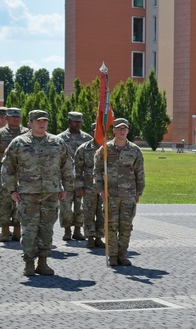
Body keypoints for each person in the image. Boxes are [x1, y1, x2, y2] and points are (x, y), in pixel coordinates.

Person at [2, 110, 74, 276]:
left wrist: (66, 188)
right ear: (30, 123)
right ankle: (28, 262)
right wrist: (12, 189)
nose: (42, 124)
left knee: (47, 229)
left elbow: (67, 167)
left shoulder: (57, 143)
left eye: (45, 121)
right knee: (29, 230)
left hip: (51, 193)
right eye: (38, 121)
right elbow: (7, 168)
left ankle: (43, 262)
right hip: (28, 194)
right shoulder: (18, 143)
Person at [93, 118, 145, 267]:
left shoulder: (135, 150)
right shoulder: (105, 149)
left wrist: (138, 192)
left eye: (125, 128)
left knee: (126, 226)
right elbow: (97, 171)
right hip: (111, 195)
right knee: (110, 226)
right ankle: (112, 256)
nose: (122, 131)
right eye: (119, 128)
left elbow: (139, 172)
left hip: (128, 195)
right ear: (114, 130)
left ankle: (122, 254)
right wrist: (101, 190)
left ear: (128, 130)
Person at [56, 111, 92, 241]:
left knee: (80, 206)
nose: (77, 124)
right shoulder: (60, 139)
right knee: (65, 206)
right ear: (69, 121)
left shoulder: (87, 138)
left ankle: (78, 229)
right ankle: (67, 230)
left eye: (79, 121)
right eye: (75, 121)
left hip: (82, 178)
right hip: (66, 178)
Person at [0, 107, 29, 242]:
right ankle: (5, 230)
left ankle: (17, 231)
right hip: (5, 173)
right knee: (5, 202)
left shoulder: (27, 133)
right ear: (6, 118)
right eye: (12, 116)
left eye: (18, 116)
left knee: (20, 202)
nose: (16, 119)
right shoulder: (1, 133)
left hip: (23, 173)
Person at [75, 124, 105, 249]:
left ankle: (99, 237)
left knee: (102, 213)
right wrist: (79, 186)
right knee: (88, 213)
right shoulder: (84, 148)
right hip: (89, 187)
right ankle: (90, 238)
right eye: (95, 131)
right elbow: (77, 169)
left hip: (104, 187)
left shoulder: (109, 148)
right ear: (92, 132)